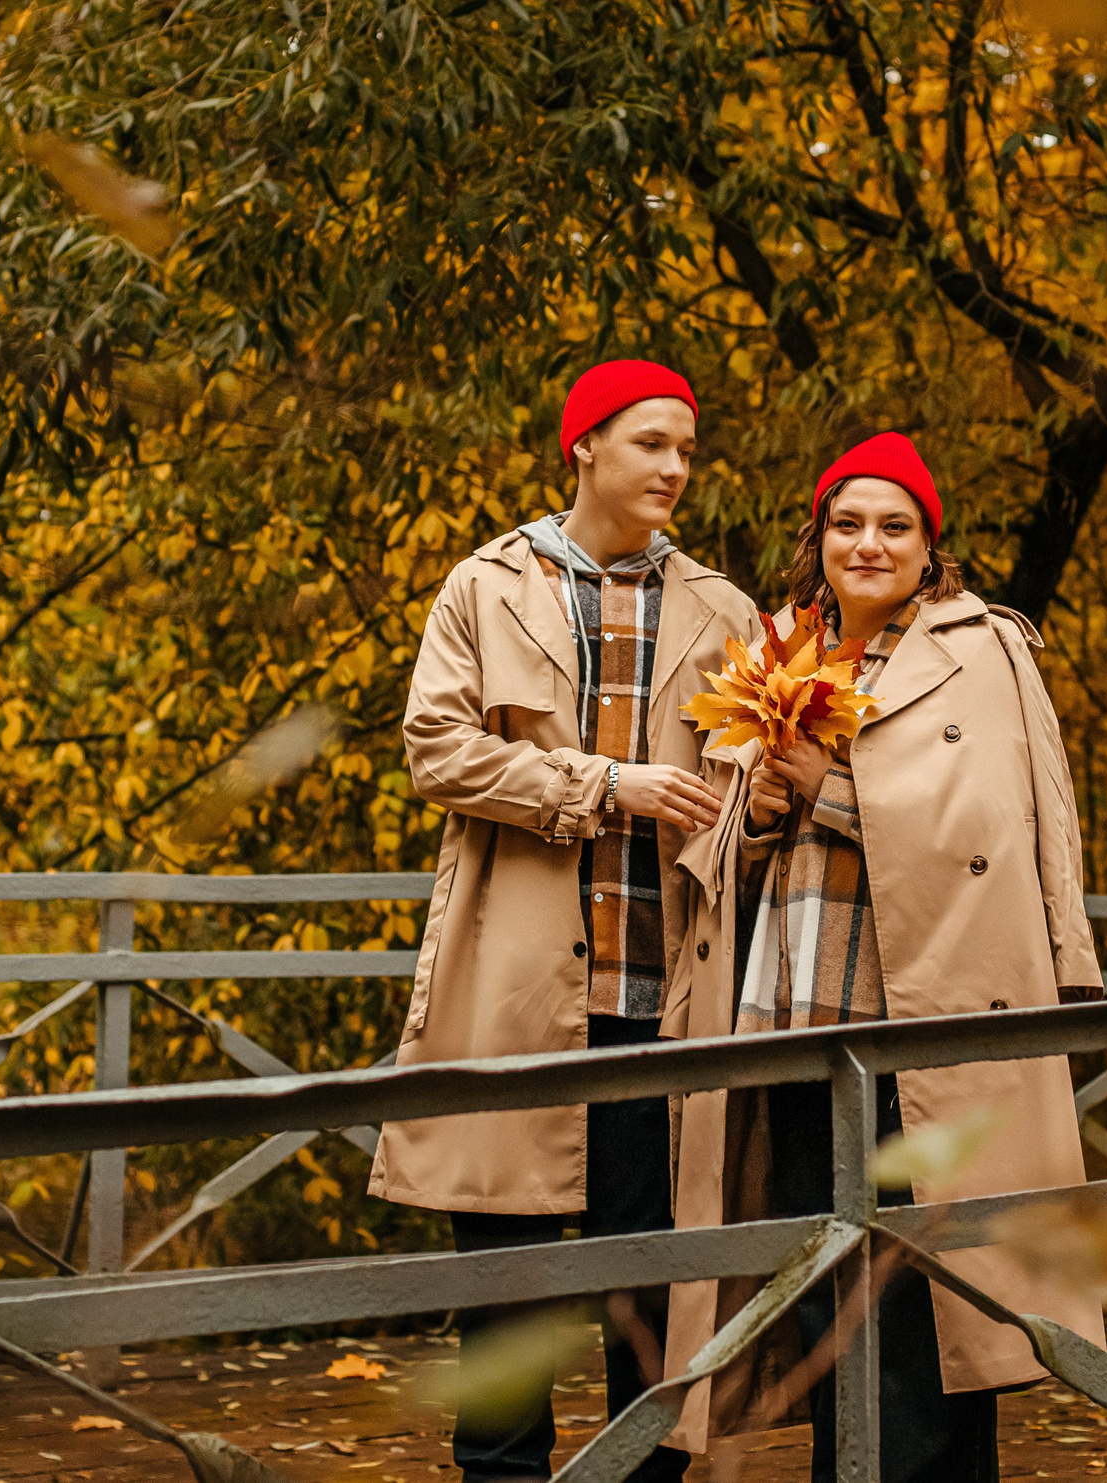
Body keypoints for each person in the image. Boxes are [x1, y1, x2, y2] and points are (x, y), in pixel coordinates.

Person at [662, 431, 1106, 1483]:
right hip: (795, 1010)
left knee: (934, 1286)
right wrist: (759, 811)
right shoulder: (768, 648)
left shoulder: (980, 648)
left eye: (893, 526)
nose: (868, 544)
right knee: (824, 1277)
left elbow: (1004, 826)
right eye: (847, 524)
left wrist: (831, 789)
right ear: (816, 539)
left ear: (927, 545)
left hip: (929, 1015)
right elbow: (717, 847)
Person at [368, 360, 763, 1483]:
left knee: (653, 1299)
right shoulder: (482, 588)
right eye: (651, 444)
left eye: (686, 448)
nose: (676, 468)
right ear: (583, 445)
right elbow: (438, 753)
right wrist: (603, 786)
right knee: (506, 1295)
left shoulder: (726, 611)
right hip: (518, 994)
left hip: (665, 998)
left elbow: (745, 791)